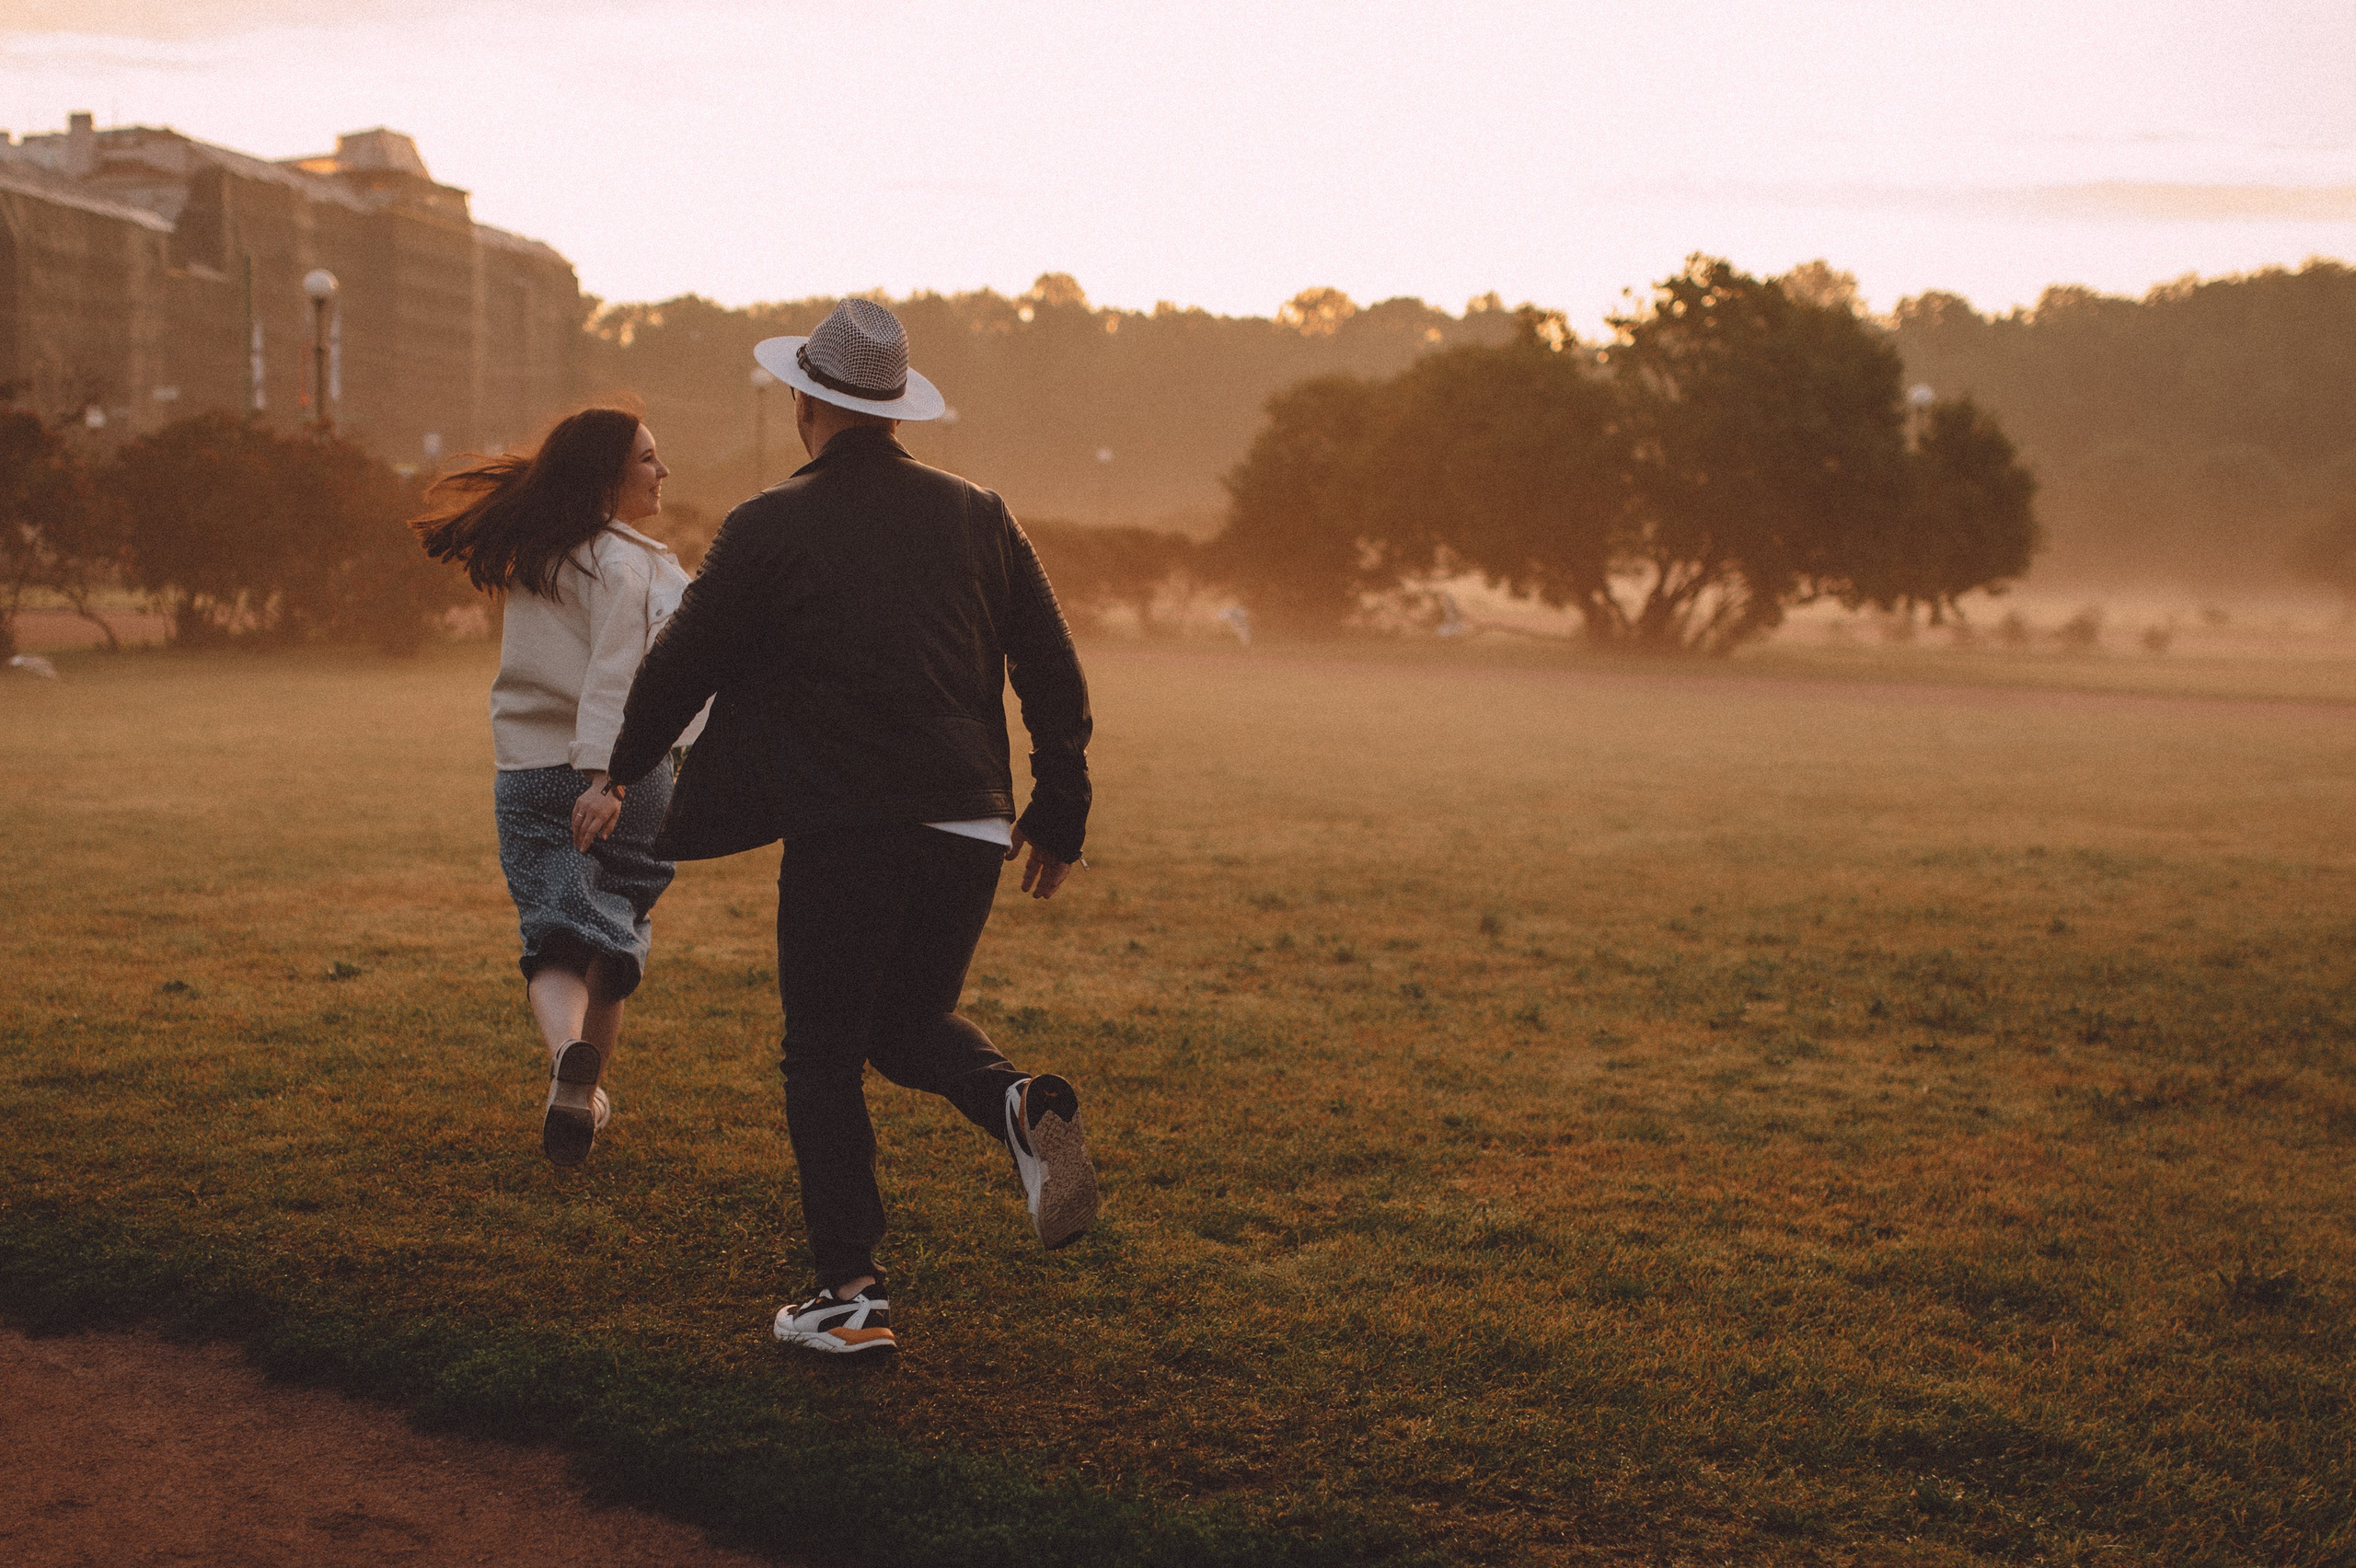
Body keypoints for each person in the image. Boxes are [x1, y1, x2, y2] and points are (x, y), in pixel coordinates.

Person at [606, 299, 1096, 1358]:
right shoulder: (981, 511)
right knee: (904, 1027)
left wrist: (619, 774)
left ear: (804, 402)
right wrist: (1061, 801)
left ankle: (849, 1294)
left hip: (848, 818)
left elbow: (680, 665)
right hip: (970, 819)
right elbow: (1047, 663)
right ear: (889, 408)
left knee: (820, 1053)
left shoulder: (767, 524)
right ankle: (1015, 1104)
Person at [411, 407, 704, 1168]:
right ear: (608, 476)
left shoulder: (540, 550)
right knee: (612, 933)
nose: (662, 470)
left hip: (535, 770)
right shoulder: (631, 563)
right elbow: (624, 673)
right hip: (625, 775)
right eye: (647, 458)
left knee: (556, 933)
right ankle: (583, 1092)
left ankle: (572, 1064)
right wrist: (611, 775)